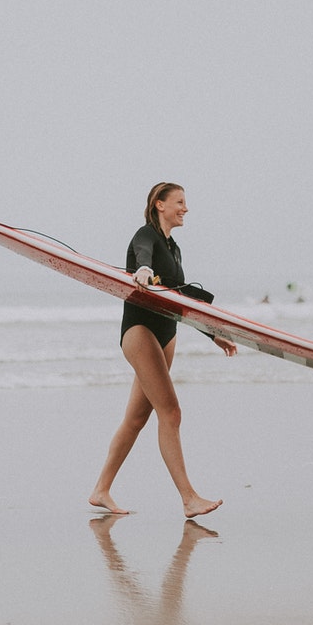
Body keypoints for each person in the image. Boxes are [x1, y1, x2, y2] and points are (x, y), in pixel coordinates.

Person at [89, 183, 237, 518]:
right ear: (160, 205)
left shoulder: (174, 248)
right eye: (179, 202)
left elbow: (182, 299)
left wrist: (214, 335)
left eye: (185, 203)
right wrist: (141, 269)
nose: (185, 208)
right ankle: (188, 498)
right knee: (170, 412)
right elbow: (142, 254)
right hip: (140, 332)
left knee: (136, 419)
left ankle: (100, 490)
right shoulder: (146, 235)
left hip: (167, 333)